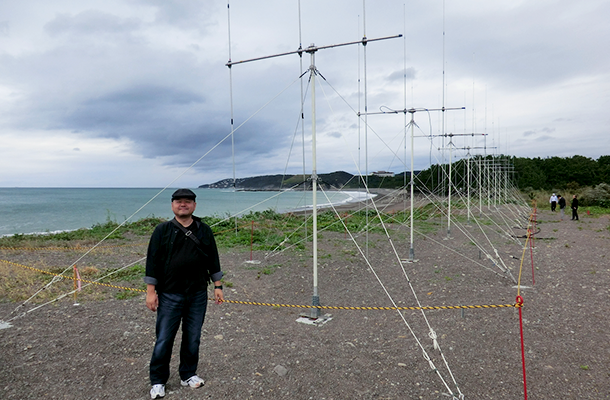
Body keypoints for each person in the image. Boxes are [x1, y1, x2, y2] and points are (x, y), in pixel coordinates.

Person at [144, 188, 224, 399]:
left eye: (188, 201)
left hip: (197, 294)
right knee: (164, 339)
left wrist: (218, 286)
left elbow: (213, 258)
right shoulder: (162, 230)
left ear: (194, 206)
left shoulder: (204, 230)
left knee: (193, 337)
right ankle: (158, 380)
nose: (183, 204)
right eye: (179, 201)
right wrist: (151, 291)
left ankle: (188, 374)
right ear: (172, 206)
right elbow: (152, 261)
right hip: (170, 294)